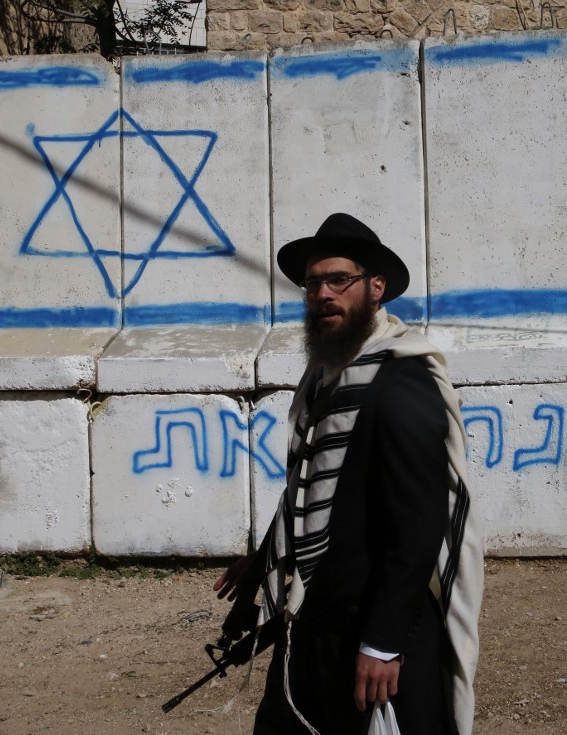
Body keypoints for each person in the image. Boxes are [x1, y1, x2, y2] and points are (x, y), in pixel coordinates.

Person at [213, 213, 484, 735]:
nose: (323, 294)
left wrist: (384, 643)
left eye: (340, 280)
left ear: (375, 288)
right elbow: (310, 485)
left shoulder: (402, 382)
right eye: (313, 283)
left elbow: (418, 527)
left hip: (374, 626)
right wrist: (269, 554)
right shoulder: (326, 378)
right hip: (315, 616)